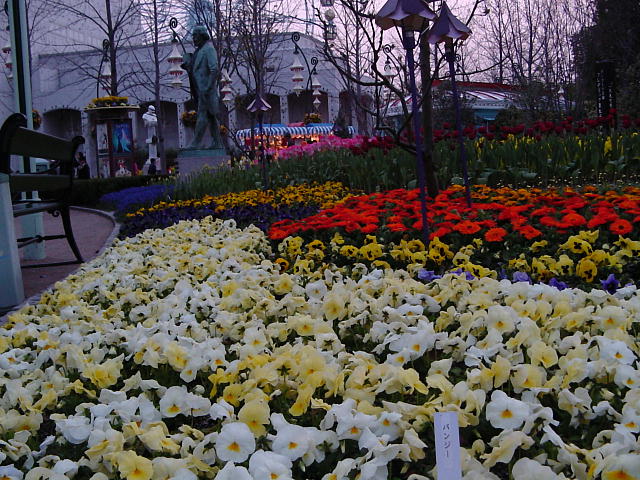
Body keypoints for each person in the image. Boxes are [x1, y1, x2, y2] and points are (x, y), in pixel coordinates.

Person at [182, 25, 223, 149]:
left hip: (206, 90)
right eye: (193, 36)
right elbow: (196, 70)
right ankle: (218, 143)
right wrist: (188, 64)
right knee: (211, 117)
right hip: (200, 90)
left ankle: (195, 142)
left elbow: (214, 69)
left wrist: (207, 87)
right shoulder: (198, 52)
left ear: (202, 36)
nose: (194, 39)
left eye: (195, 36)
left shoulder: (208, 49)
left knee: (202, 115)